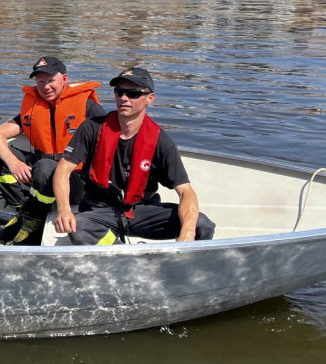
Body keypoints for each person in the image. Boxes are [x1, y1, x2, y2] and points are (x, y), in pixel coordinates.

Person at [51, 66, 216, 245]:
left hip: (142, 211)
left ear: (150, 99)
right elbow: (63, 170)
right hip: (100, 210)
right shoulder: (91, 128)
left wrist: (187, 234)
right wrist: (64, 209)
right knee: (80, 229)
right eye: (119, 92)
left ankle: (176, 261)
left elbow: (186, 191)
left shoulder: (161, 141)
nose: (124, 98)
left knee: (202, 225)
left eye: (133, 94)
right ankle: (124, 255)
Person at [0, 56, 104, 245]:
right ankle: (24, 211)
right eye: (40, 82)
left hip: (76, 181)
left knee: (46, 166)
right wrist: (14, 163)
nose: (45, 87)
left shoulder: (88, 106)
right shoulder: (34, 107)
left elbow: (111, 141)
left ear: (64, 79)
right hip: (41, 174)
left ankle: (32, 220)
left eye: (50, 81)